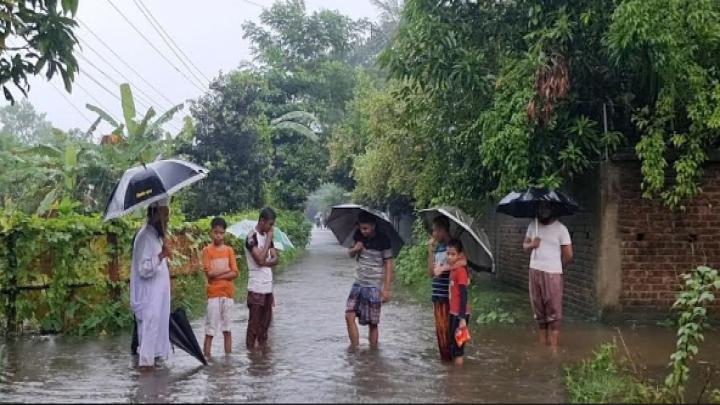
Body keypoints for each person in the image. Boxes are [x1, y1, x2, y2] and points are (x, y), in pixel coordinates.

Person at [522, 202, 573, 354]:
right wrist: (532, 244)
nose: (543, 211)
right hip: (534, 270)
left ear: (552, 209)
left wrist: (557, 266)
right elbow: (524, 246)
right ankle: (542, 343)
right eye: (540, 207)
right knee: (538, 308)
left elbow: (569, 255)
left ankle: (554, 347)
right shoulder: (533, 225)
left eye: (546, 208)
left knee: (553, 309)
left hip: (553, 273)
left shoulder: (561, 229)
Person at [130, 197, 172, 371]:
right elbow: (144, 269)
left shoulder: (155, 236)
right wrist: (161, 255)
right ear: (156, 214)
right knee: (147, 350)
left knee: (154, 347)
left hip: (156, 303)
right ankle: (147, 387)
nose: (167, 219)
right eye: (165, 215)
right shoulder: (145, 236)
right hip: (148, 303)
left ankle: (154, 390)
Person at [345, 211, 394, 347]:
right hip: (358, 283)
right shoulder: (358, 236)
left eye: (366, 228)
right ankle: (354, 349)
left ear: (373, 226)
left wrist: (386, 290)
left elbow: (388, 265)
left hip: (373, 286)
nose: (363, 231)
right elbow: (349, 253)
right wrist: (355, 249)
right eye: (361, 228)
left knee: (372, 323)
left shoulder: (384, 240)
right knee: (349, 315)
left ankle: (373, 354)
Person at [202, 217, 239, 357]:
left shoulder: (229, 250)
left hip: (228, 294)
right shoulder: (207, 251)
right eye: (216, 232)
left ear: (225, 233)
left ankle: (228, 360)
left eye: (221, 233)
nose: (218, 235)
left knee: (227, 329)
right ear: (211, 232)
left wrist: (218, 274)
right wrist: (226, 271)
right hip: (213, 294)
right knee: (210, 330)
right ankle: (206, 358)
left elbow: (235, 272)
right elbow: (209, 273)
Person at [244, 207, 279, 350]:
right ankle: (251, 357)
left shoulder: (267, 237)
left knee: (265, 326)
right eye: (270, 224)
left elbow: (276, 259)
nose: (271, 228)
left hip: (268, 287)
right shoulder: (251, 237)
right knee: (254, 325)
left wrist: (264, 261)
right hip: (256, 287)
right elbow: (259, 259)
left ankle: (263, 361)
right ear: (262, 221)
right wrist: (268, 241)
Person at [427, 216, 452, 361]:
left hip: (447, 296)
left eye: (435, 231)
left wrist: (445, 267)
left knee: (447, 331)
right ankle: (446, 364)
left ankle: (451, 362)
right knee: (440, 332)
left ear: (442, 230)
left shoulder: (452, 248)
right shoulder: (439, 249)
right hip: (437, 295)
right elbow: (431, 273)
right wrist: (430, 251)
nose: (433, 234)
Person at [444, 239, 471, 366]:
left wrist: (462, 318)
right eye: (448, 253)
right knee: (453, 344)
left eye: (453, 254)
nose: (449, 257)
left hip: (461, 313)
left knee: (459, 347)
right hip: (453, 312)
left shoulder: (460, 271)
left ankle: (458, 378)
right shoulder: (453, 269)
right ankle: (454, 376)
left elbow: (464, 294)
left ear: (460, 255)